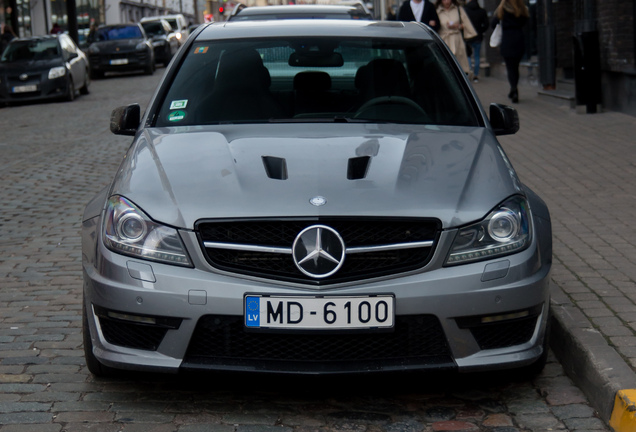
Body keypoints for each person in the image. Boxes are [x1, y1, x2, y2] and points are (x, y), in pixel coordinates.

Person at [491, 0, 529, 103]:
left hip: (507, 39)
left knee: (510, 66)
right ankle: (514, 88)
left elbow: (493, 23)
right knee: (515, 66)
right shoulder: (521, 8)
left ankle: (513, 88)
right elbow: (526, 21)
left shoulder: (502, 8)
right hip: (519, 38)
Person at [435, 0, 476, 76]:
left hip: (457, 39)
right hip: (444, 39)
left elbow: (467, 25)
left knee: (459, 64)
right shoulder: (436, 10)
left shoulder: (458, 9)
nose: (447, 2)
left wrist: (458, 26)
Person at [464, 0, 489, 83]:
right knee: (477, 56)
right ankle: (475, 75)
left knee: (468, 55)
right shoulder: (482, 11)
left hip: (468, 36)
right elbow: (486, 24)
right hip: (478, 36)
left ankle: (469, 72)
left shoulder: (465, 10)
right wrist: (481, 31)